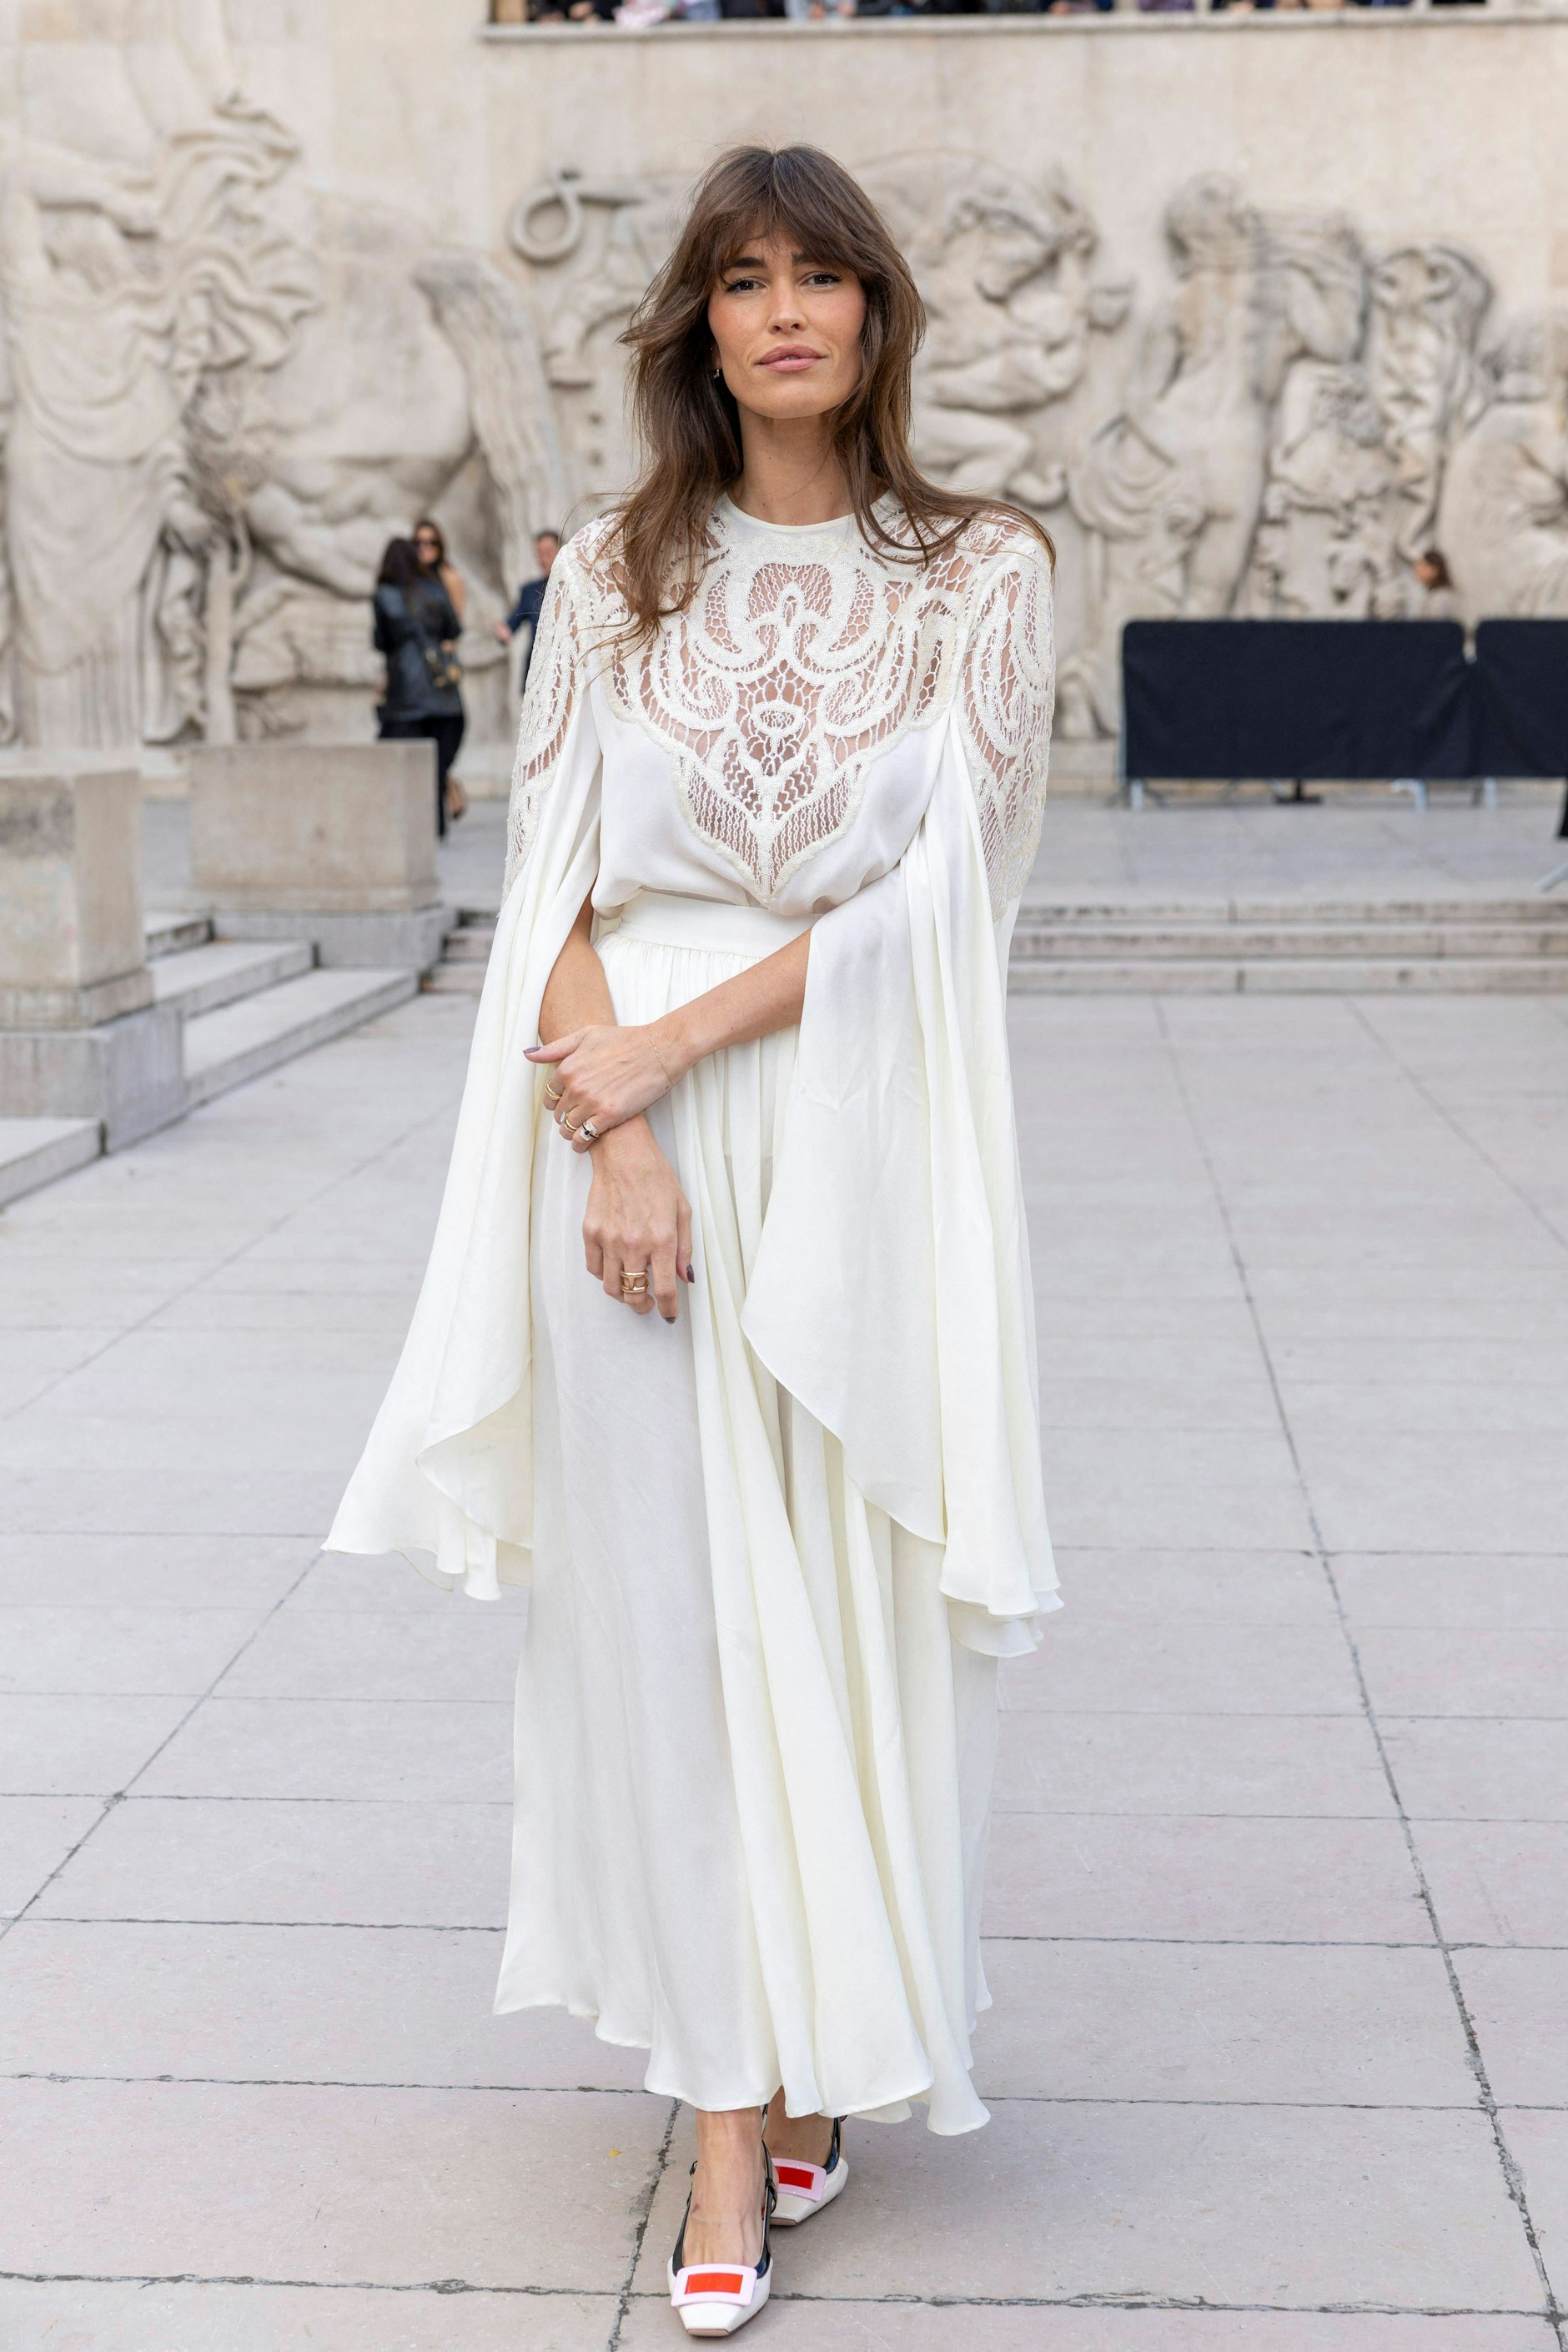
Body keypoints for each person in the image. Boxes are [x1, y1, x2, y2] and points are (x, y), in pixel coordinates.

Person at [329, 143, 1058, 2340]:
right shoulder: (617, 571)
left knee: (834, 1620)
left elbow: (948, 900)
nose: (788, 311)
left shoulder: (985, 570)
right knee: (668, 1628)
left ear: (878, 312)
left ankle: (827, 2027)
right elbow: (542, 875)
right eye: (745, 278)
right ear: (698, 324)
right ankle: (728, 2120)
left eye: (825, 272)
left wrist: (670, 1048)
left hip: (850, 1129)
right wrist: (613, 1123)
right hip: (625, 1163)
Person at [372, 535, 466, 837]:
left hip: (404, 698)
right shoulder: (435, 588)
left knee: (399, 766)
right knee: (435, 769)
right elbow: (453, 628)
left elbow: (381, 641)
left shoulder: (384, 595)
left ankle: (408, 834)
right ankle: (436, 830)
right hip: (444, 696)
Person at [495, 529, 562, 691]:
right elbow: (512, 624)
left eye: (548, 552)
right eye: (539, 553)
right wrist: (503, 631)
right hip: (538, 670)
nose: (543, 559)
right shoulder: (530, 591)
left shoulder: (572, 587)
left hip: (564, 667)